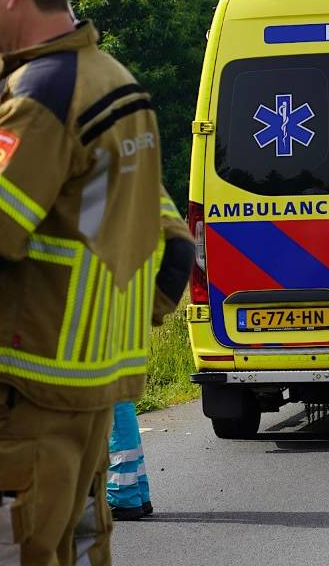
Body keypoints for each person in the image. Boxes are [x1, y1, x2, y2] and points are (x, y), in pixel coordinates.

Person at [0, 0, 190, 565]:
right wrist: (120, 326)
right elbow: (174, 247)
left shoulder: (39, 97)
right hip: (87, 402)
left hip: (16, 398)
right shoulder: (119, 87)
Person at [107, 191, 190, 522]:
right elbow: (181, 247)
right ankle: (135, 491)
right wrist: (156, 306)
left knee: (111, 402)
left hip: (96, 308)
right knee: (119, 400)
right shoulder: (138, 168)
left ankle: (124, 494)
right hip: (125, 305)